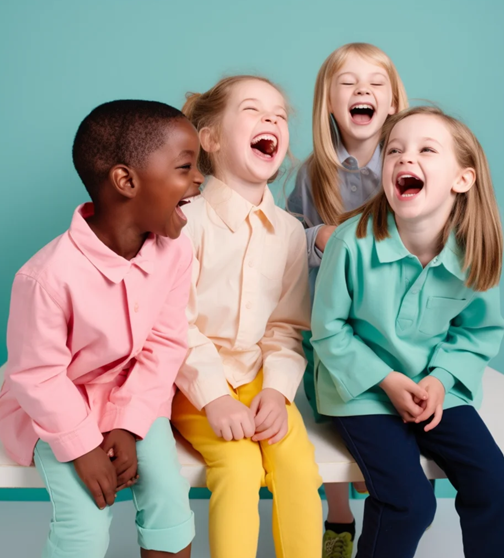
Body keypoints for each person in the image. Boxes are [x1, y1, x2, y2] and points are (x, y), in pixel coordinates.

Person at [0, 100, 204, 558]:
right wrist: (83, 446)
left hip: (132, 395)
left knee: (169, 497)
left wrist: (129, 425)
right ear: (126, 181)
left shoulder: (176, 252)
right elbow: (37, 375)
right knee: (86, 523)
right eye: (185, 167)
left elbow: (164, 344)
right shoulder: (45, 276)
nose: (199, 178)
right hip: (54, 410)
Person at [312, 105, 504, 558]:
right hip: (362, 391)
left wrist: (440, 380)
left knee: (499, 489)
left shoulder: (474, 253)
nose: (405, 159)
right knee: (409, 503)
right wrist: (386, 381)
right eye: (394, 151)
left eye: (427, 149)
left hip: (435, 388)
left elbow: (476, 333)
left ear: (462, 179)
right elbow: (328, 333)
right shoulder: (350, 244)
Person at [172, 75, 323, 558]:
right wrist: (214, 398)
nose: (272, 120)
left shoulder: (287, 233)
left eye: (279, 115)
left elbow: (285, 327)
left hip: (260, 380)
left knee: (299, 468)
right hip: (193, 383)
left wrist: (277, 394)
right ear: (211, 140)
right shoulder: (185, 221)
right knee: (238, 470)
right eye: (254, 111)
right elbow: (173, 324)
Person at [287, 42, 408, 558]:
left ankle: (385, 495)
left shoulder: (410, 165)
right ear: (329, 104)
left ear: (394, 102)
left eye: (377, 83)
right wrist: (317, 235)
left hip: (395, 330)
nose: (364, 91)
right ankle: (339, 517)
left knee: (389, 423)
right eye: (349, 84)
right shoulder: (312, 173)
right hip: (331, 327)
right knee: (330, 424)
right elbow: (287, 234)